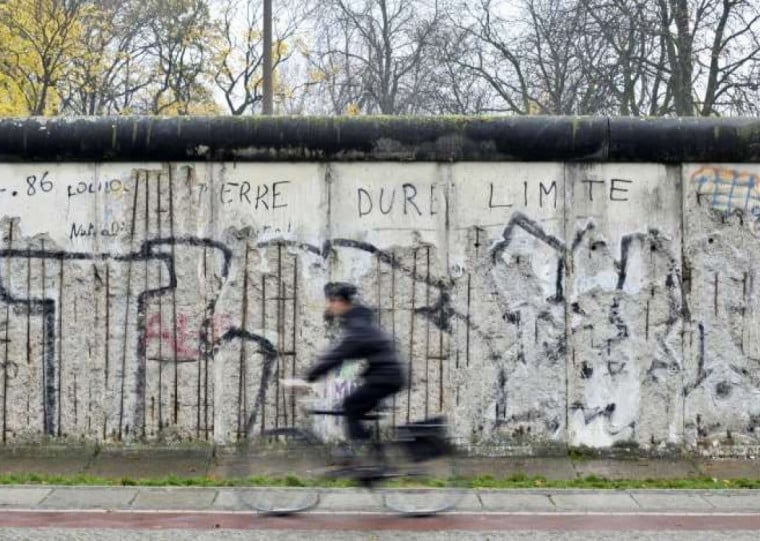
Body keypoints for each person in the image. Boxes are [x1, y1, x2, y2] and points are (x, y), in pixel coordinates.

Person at [305, 282, 405, 455]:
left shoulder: (357, 326)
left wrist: (310, 377)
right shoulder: (359, 321)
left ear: (342, 302)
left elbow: (338, 355)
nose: (330, 305)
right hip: (387, 377)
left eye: (332, 301)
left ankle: (363, 454)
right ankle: (374, 453)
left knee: (349, 405)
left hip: (385, 378)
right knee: (356, 410)